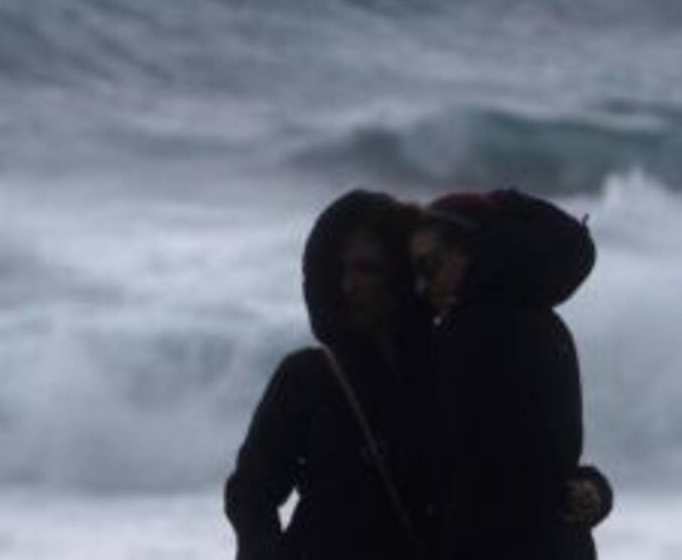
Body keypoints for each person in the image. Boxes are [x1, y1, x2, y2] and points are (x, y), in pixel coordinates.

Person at [225, 190, 430, 560]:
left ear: (402, 273)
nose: (348, 286)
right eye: (338, 271)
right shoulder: (307, 377)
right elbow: (250, 494)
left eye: (368, 269)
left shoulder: (448, 364)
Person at [411, 189, 611, 560]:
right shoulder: (548, 325)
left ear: (470, 251)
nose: (422, 288)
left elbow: (456, 479)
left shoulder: (464, 334)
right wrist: (596, 491)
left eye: (429, 266)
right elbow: (546, 468)